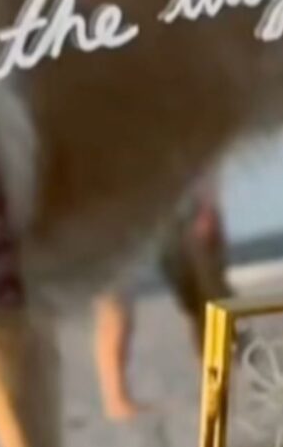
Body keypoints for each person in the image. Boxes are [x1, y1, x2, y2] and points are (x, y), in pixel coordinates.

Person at [94, 178, 231, 420]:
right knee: (115, 302)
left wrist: (207, 203)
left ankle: (217, 383)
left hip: (176, 195)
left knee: (203, 297)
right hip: (120, 198)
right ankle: (116, 399)